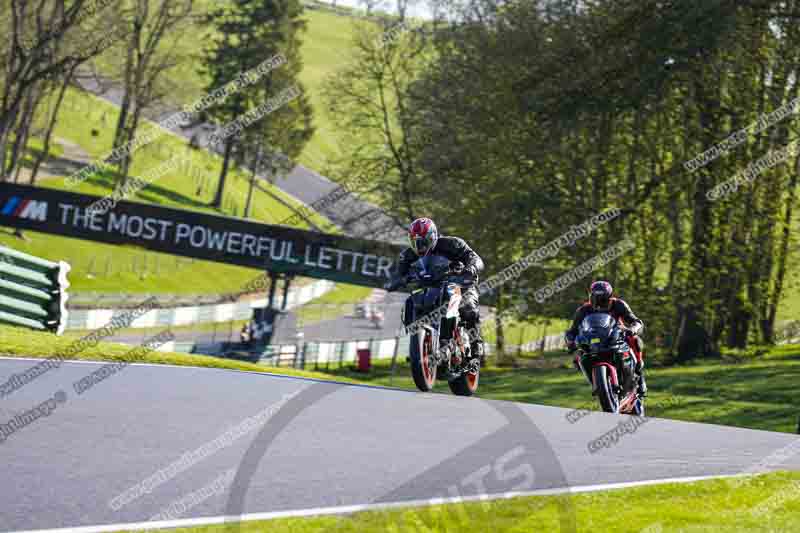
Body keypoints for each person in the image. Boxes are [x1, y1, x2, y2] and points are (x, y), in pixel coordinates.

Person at [385, 217, 485, 362]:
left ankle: (476, 342)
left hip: (461, 284)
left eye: (421, 242)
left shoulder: (453, 244)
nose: (418, 247)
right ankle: (418, 345)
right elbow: (397, 274)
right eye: (414, 243)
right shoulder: (407, 255)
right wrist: (395, 282)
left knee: (467, 306)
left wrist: (471, 268)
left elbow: (476, 259)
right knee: (411, 302)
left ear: (432, 237)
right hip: (432, 287)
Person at [565, 280, 647, 396]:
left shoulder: (618, 304)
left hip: (616, 337)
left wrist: (633, 329)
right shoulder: (584, 310)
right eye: (595, 299)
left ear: (610, 297)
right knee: (579, 356)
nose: (598, 303)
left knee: (635, 340)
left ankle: (639, 374)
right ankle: (596, 383)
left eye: (602, 300)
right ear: (591, 297)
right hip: (593, 341)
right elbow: (572, 331)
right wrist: (570, 342)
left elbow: (635, 321)